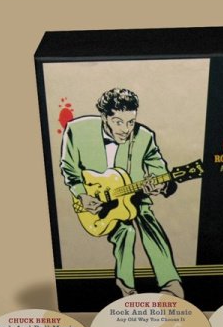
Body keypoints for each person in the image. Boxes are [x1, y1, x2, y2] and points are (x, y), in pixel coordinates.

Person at [60, 88, 184, 297]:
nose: (126, 129)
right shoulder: (77, 130)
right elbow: (69, 168)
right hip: (95, 198)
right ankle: (126, 286)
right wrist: (82, 194)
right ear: (104, 117)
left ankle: (170, 282)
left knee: (147, 219)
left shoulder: (145, 137)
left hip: (134, 196)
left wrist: (160, 185)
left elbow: (159, 170)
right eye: (118, 122)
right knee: (126, 232)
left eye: (130, 122)